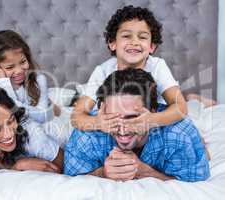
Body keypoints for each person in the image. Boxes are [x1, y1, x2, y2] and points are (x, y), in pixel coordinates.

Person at [64, 68, 210, 182]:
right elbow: (71, 181)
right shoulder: (86, 135)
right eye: (112, 117)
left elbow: (194, 186)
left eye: (132, 118)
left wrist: (144, 171)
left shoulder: (178, 135)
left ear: (152, 111)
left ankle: (197, 105)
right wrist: (102, 173)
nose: (122, 129)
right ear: (103, 108)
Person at [71, 5, 188, 135]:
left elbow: (181, 107)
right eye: (127, 36)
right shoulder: (103, 71)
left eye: (142, 37)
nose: (134, 42)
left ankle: (194, 99)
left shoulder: (157, 66)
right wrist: (98, 123)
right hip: (116, 122)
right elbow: (77, 116)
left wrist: (151, 120)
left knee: (184, 127)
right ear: (112, 43)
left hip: (154, 117)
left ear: (151, 47)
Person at [0, 30, 60, 125]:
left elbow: (42, 117)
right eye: (10, 67)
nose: (19, 71)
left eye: (23, 62)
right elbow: (14, 109)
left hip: (44, 118)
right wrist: (2, 80)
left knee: (56, 110)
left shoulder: (39, 80)